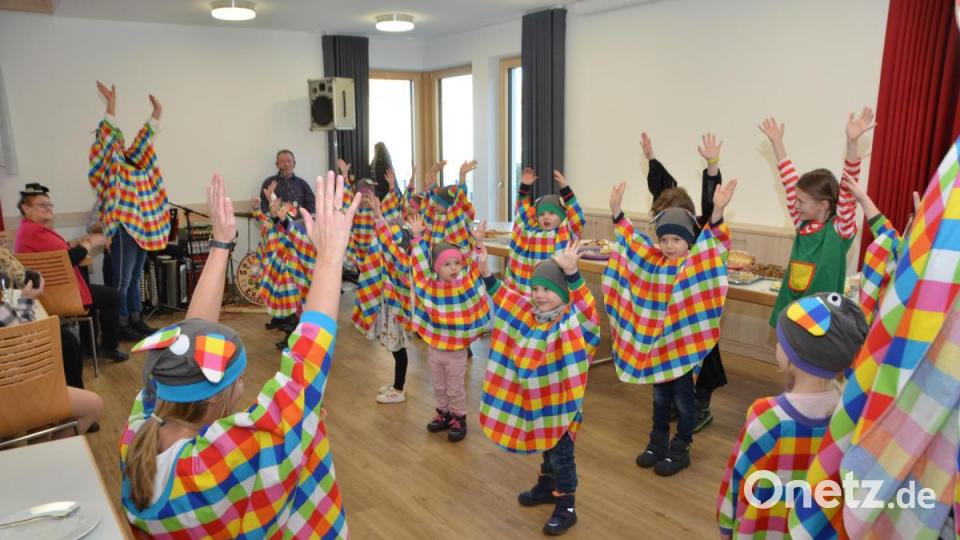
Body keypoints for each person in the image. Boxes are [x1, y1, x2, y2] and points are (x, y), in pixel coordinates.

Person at [120, 171, 356, 538]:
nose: (243, 384)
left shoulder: (139, 431)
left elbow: (189, 340)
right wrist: (329, 258)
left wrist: (221, 244)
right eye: (238, 378)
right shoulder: (228, 457)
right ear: (216, 399)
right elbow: (306, 368)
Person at [603, 177, 737, 476]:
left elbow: (716, 246)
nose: (668, 245)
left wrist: (717, 213)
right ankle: (657, 442)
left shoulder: (696, 262)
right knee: (660, 399)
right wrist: (616, 211)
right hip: (658, 346)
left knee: (685, 402)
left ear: (689, 241)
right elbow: (631, 242)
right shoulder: (654, 260)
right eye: (664, 239)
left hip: (684, 348)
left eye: (676, 240)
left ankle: (681, 447)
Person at [717, 293, 868, 539]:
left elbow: (738, 478)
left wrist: (726, 524)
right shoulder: (850, 413)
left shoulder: (766, 416)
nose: (777, 346)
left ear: (792, 356)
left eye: (781, 342)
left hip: (765, 529)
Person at [477, 233, 600, 536]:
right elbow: (506, 299)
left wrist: (572, 274)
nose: (540, 295)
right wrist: (485, 274)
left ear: (564, 292)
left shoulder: (571, 320)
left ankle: (566, 504)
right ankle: (547, 486)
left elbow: (588, 313)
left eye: (548, 289)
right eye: (535, 288)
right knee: (546, 450)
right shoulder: (531, 314)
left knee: (561, 455)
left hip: (563, 406)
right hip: (536, 402)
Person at [642, 132, 728, 433]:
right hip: (670, 321)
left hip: (698, 318)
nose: (667, 241)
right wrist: (652, 159)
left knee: (705, 362)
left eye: (674, 236)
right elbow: (662, 188)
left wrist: (713, 167)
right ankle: (675, 405)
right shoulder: (668, 235)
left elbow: (712, 204)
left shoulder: (700, 236)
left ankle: (700, 404)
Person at [759, 109, 874, 327]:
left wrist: (852, 143)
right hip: (790, 306)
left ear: (823, 204)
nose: (796, 205)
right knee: (784, 355)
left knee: (809, 359)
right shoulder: (801, 221)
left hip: (821, 314)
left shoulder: (841, 228)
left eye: (801, 201)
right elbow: (788, 178)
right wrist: (777, 143)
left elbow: (848, 189)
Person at [89, 82, 172, 339]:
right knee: (122, 281)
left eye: (121, 138)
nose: (121, 141)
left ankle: (136, 320)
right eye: (117, 139)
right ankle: (121, 324)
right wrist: (111, 106)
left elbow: (144, 137)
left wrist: (157, 111)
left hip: (143, 227)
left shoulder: (135, 159)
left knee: (136, 278)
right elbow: (105, 140)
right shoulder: (112, 165)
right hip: (124, 228)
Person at [14, 183, 129, 361]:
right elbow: (69, 259)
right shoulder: (34, 232)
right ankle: (108, 347)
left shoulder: (30, 230)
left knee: (94, 291)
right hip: (55, 295)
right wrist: (88, 244)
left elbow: (58, 253)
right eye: (42, 205)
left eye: (49, 205)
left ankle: (88, 347)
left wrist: (81, 241)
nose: (48, 208)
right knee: (111, 295)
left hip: (50, 290)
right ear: (26, 208)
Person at [407, 214, 490, 442]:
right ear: (436, 268)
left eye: (456, 263)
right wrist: (417, 237)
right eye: (447, 264)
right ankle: (443, 413)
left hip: (456, 351)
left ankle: (459, 417)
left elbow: (474, 266)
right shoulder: (429, 287)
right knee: (439, 385)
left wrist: (477, 243)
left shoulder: (464, 283)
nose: (454, 268)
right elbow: (420, 266)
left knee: (455, 387)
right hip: (435, 348)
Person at [0, 275, 103, 435]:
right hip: (16, 397)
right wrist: (27, 299)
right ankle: (51, 449)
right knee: (94, 405)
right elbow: (28, 340)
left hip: (12, 396)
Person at [355, 170, 412, 404]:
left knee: (399, 350)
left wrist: (379, 215)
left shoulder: (401, 260)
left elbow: (387, 241)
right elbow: (386, 241)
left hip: (398, 310)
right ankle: (396, 384)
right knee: (395, 349)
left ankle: (398, 389)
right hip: (391, 307)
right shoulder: (397, 254)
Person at [505, 168, 585, 294]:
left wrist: (565, 189)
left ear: (562, 217)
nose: (546, 217)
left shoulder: (564, 231)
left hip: (555, 290)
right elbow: (521, 216)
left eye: (552, 213)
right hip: (530, 289)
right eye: (541, 214)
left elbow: (577, 217)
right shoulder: (530, 231)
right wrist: (524, 188)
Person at [258, 149, 316, 215]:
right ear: (277, 165)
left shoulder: (302, 184)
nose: (286, 164)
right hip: (277, 222)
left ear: (294, 164)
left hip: (299, 222)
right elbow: (264, 205)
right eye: (282, 162)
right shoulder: (269, 183)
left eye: (289, 161)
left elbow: (311, 206)